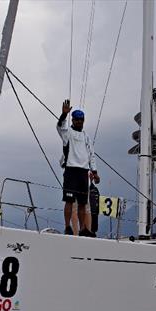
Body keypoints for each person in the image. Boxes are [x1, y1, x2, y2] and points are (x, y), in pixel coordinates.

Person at [57, 99, 99, 237]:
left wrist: (95, 172)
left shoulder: (86, 137)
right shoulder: (67, 133)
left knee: (82, 203)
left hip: (83, 173)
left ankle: (83, 229)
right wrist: (64, 115)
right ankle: (67, 226)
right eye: (76, 120)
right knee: (69, 200)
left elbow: (92, 155)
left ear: (83, 120)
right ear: (73, 120)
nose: (79, 122)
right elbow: (60, 126)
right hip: (71, 170)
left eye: (81, 120)